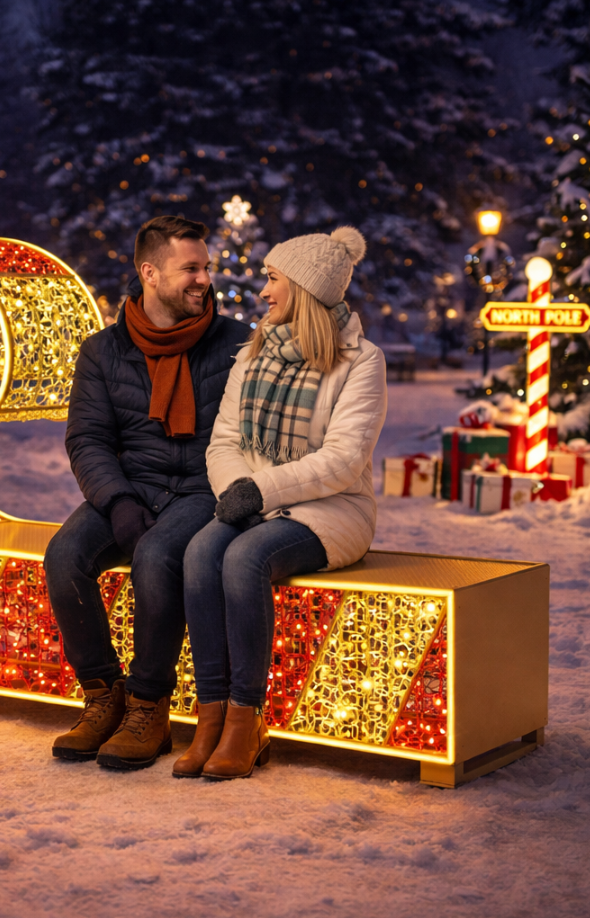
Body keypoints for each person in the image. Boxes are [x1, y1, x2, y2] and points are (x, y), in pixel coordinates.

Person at [174, 226, 387, 780]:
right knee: (200, 553)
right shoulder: (255, 352)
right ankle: (211, 716)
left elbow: (343, 460)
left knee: (245, 559)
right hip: (252, 502)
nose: (263, 291)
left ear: (306, 287)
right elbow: (225, 442)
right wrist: (238, 493)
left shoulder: (361, 361)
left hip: (332, 511)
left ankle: (247, 721)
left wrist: (261, 491)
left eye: (273, 279)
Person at [44, 215, 249, 770]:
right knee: (63, 556)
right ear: (150, 273)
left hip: (202, 490)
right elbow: (87, 438)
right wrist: (117, 500)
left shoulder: (235, 343)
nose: (204, 279)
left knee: (158, 557)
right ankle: (103, 696)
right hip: (130, 488)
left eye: (206, 268)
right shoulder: (103, 352)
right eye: (191, 269)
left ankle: (148, 705)